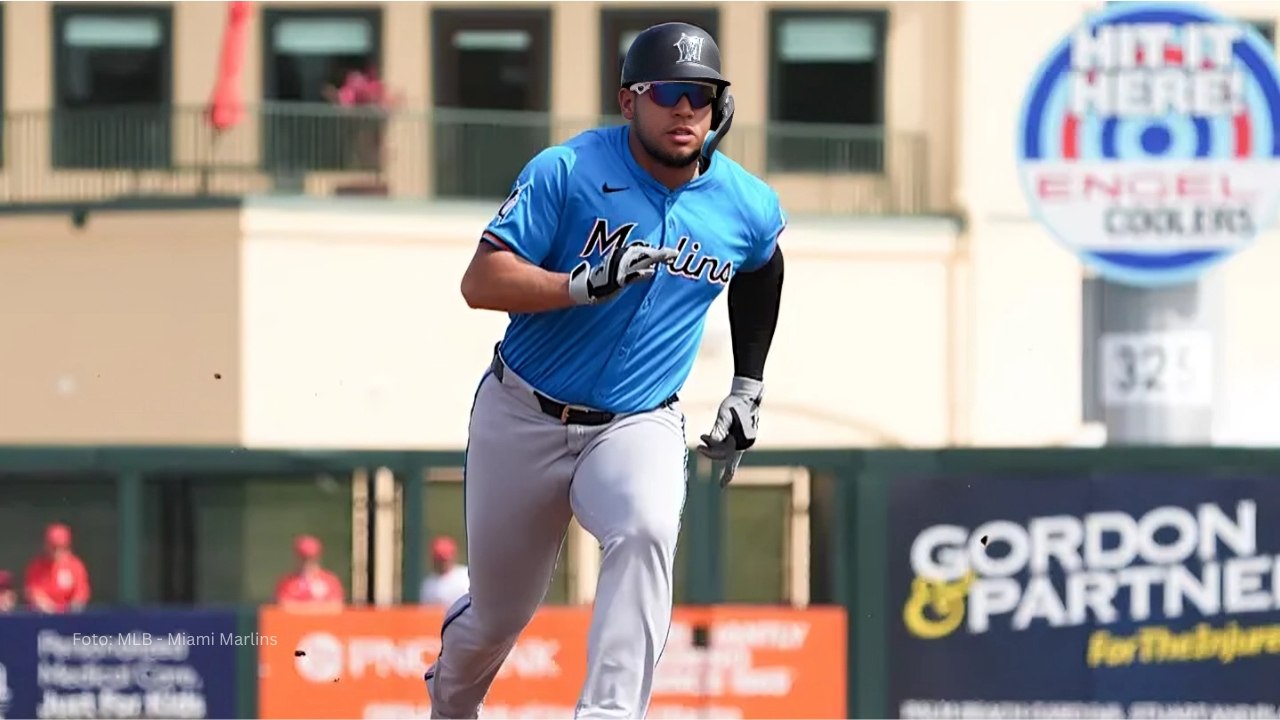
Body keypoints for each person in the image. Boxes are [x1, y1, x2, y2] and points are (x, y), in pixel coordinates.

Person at [424, 21, 785, 719]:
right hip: (523, 413)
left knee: (647, 529)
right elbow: (480, 280)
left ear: (721, 109)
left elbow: (763, 266)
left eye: (703, 96)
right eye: (670, 93)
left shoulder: (744, 203)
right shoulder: (568, 170)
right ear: (628, 101)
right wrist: (576, 285)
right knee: (496, 619)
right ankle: (448, 703)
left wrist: (748, 385)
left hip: (638, 420)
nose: (686, 110)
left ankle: (609, 714)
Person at [24, 523, 91, 613]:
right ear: (47, 546)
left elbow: (82, 591)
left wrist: (75, 606)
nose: (58, 551)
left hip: (70, 618)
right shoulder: (37, 566)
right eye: (54, 547)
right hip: (42, 616)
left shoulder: (75, 565)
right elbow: (32, 590)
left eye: (62, 547)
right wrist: (44, 603)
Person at [274, 535, 345, 613]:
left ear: (318, 558)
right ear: (297, 558)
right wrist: (317, 607)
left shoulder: (330, 580)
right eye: (303, 559)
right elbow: (284, 607)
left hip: (324, 624)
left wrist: (302, 608)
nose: (307, 563)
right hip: (295, 624)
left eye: (311, 559)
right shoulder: (287, 582)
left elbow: (336, 607)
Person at [420, 536, 470, 608]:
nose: (442, 563)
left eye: (445, 560)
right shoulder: (428, 584)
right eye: (439, 560)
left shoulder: (465, 576)